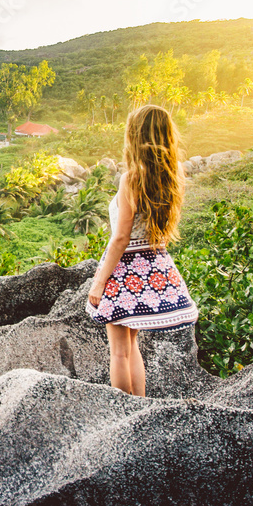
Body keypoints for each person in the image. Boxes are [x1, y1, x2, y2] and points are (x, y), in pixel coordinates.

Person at [85, 104, 198, 397]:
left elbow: (121, 237)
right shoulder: (171, 177)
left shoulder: (132, 178)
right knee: (132, 347)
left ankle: (124, 412)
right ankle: (139, 407)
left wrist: (99, 282)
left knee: (119, 352)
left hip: (125, 270)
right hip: (153, 263)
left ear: (136, 135)